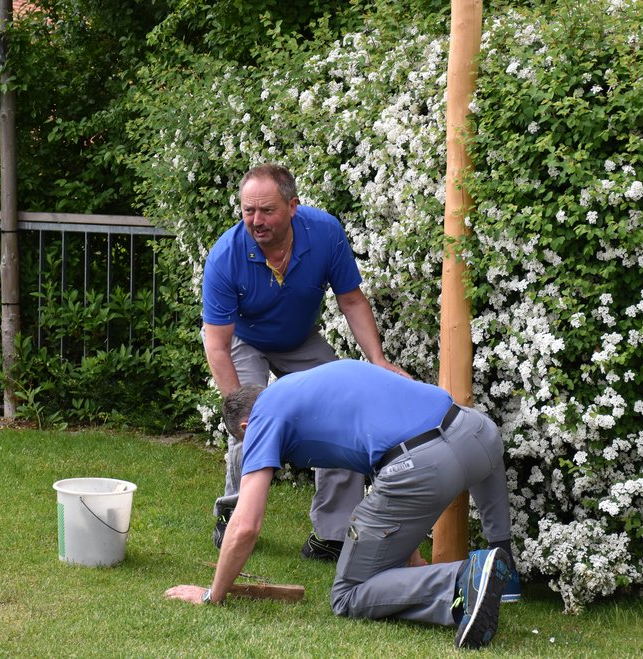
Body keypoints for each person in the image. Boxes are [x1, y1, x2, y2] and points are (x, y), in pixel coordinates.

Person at [164, 360, 514, 650]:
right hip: (477, 433)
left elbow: (245, 525)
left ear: (245, 425)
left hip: (423, 465)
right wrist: (410, 555)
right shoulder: (309, 386)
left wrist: (213, 595)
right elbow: (391, 450)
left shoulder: (262, 418)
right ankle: (504, 565)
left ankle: (462, 579)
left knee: (348, 594)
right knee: (413, 482)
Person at [201, 163, 409, 560]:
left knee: (341, 416)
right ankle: (233, 515)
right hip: (243, 340)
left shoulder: (325, 233)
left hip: (299, 340)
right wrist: (238, 407)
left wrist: (378, 359)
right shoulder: (225, 257)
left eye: (266, 211)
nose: (256, 221)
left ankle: (330, 535)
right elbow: (218, 345)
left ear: (292, 206)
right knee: (250, 423)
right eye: (248, 211)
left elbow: (351, 300)